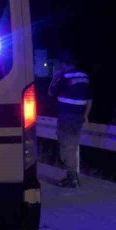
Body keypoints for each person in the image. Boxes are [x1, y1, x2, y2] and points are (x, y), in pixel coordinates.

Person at [48, 49, 92, 188]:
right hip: (79, 117)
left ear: (63, 64)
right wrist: (86, 115)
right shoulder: (84, 77)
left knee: (66, 146)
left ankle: (72, 178)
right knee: (72, 145)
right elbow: (89, 99)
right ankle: (71, 176)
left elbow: (51, 92)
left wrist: (54, 79)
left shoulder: (64, 77)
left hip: (66, 116)